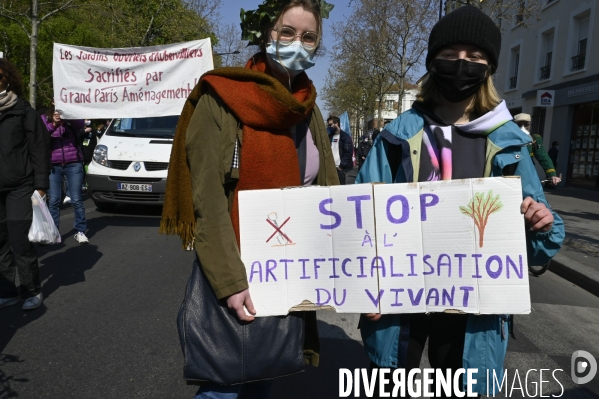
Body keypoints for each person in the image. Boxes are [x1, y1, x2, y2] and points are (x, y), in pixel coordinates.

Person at [356, 6, 564, 397]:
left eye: (475, 57)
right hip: (402, 303)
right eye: (450, 55)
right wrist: (365, 284)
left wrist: (541, 224)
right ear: (433, 61)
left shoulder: (509, 143)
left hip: (474, 307)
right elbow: (361, 218)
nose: (461, 65)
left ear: (489, 68)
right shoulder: (397, 137)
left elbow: (539, 245)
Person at [160, 0, 338, 397]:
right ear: (267, 35)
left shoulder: (308, 110)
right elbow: (207, 200)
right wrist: (231, 283)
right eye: (286, 32)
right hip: (237, 269)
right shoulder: (223, 99)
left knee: (264, 375)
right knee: (224, 386)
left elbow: (327, 192)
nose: (297, 43)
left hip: (287, 273)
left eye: (309, 36)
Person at [0, 58, 50, 310]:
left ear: (7, 79)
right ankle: (8, 292)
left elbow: (39, 149)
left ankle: (32, 290)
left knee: (20, 240)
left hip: (20, 186)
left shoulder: (23, 111)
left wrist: (41, 185)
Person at [42, 107, 89, 244]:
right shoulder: (44, 118)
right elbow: (42, 136)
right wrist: (54, 124)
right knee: (54, 200)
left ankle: (80, 231)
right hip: (53, 165)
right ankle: (53, 233)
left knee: (76, 199)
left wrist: (67, 116)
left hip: (73, 163)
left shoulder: (71, 115)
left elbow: (80, 125)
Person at [514, 113, 560, 186]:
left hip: (527, 175)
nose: (523, 128)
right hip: (508, 176)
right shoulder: (506, 139)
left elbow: (544, 157)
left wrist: (552, 175)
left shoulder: (534, 140)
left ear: (530, 125)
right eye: (519, 125)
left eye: (526, 125)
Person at [327, 115, 353, 184]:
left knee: (341, 188)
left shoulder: (345, 137)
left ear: (336, 123)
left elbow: (348, 153)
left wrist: (341, 166)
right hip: (331, 168)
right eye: (328, 125)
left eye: (330, 124)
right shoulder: (329, 137)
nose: (329, 127)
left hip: (341, 169)